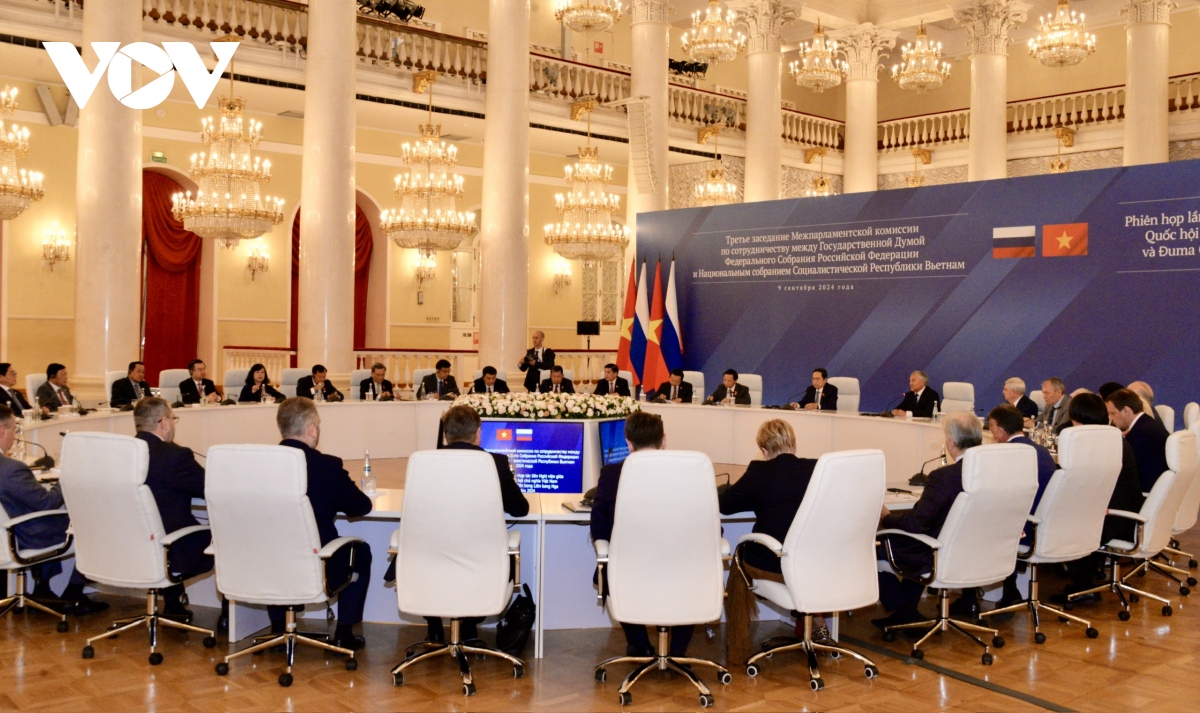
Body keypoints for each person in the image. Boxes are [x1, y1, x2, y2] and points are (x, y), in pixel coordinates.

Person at [589, 412, 695, 658]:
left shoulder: (612, 474)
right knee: (689, 573)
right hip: (680, 569)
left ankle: (640, 644)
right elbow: (706, 526)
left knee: (611, 568)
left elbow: (599, 527)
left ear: (628, 442)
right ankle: (678, 651)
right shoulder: (688, 473)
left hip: (630, 571)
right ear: (663, 440)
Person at [423, 405, 529, 644]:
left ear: (445, 435)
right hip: (481, 560)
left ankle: (435, 628)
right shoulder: (496, 463)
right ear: (478, 433)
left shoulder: (424, 462)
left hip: (432, 557)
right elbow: (520, 509)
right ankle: (469, 627)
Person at [273, 398, 373, 650]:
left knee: (276, 549)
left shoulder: (260, 464)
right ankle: (344, 632)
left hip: (269, 563)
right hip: (317, 566)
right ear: (311, 429)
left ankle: (277, 629)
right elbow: (361, 506)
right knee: (360, 552)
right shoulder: (327, 466)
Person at [720, 419, 820, 662]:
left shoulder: (760, 472)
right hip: (814, 563)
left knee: (739, 558)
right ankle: (819, 627)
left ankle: (738, 649)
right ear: (793, 444)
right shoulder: (818, 468)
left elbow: (726, 505)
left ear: (764, 451)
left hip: (775, 564)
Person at [873, 412, 981, 631]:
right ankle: (906, 611)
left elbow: (915, 524)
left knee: (870, 547)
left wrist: (886, 517)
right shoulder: (991, 472)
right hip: (976, 551)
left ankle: (901, 608)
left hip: (936, 554)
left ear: (951, 443)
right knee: (917, 544)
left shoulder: (944, 477)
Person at [0, 404, 109, 615]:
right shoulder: (11, 469)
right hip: (24, 538)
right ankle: (73, 594)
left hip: (11, 533)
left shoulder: (10, 468)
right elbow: (47, 503)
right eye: (14, 429)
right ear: (2, 431)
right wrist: (65, 477)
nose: (15, 436)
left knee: (49, 519)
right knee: (93, 525)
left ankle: (43, 589)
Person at [954, 405, 1058, 617]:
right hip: (1044, 527)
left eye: (992, 427)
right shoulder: (1041, 451)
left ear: (1000, 430)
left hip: (1022, 530)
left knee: (966, 528)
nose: (991, 433)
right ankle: (1009, 590)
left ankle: (969, 599)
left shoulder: (1004, 455)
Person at [1056, 393, 1146, 603]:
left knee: (1062, 521)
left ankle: (1083, 586)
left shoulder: (1093, 443)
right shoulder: (1111, 437)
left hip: (1115, 517)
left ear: (1078, 419)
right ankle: (1084, 575)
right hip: (1125, 511)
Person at [133, 397, 216, 620]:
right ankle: (227, 617)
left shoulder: (121, 454)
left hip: (130, 546)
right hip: (174, 549)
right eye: (173, 419)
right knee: (227, 538)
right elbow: (211, 489)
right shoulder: (175, 456)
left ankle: (173, 602)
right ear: (164, 423)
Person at [1106, 388, 1169, 492]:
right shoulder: (1147, 424)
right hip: (1156, 489)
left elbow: (1122, 467)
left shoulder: (1141, 434)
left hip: (1143, 493)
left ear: (1126, 411)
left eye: (1113, 413)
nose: (1111, 418)